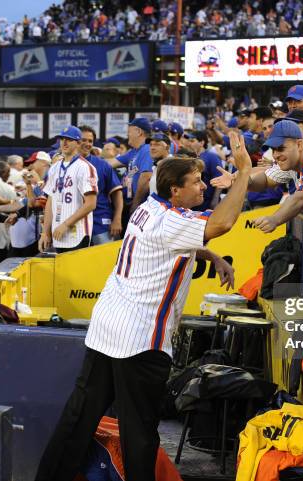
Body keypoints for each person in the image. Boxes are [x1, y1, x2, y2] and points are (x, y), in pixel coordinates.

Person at [34, 132, 253, 481]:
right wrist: (243, 173)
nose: (202, 187)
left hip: (108, 324)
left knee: (80, 415)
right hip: (141, 338)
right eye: (195, 182)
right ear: (175, 190)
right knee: (140, 430)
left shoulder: (150, 209)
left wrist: (209, 253)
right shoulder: (172, 221)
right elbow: (222, 223)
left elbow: (181, 237)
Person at [212, 120, 303, 232]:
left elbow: (301, 199)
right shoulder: (292, 158)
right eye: (273, 149)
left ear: (299, 145)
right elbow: (266, 180)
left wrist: (274, 219)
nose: (276, 155)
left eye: (281, 148)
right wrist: (241, 180)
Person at [39, 126, 98, 254]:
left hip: (78, 234)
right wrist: (45, 232)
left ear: (78, 143)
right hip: (58, 234)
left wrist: (66, 224)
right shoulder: (54, 168)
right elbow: (50, 201)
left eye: (69, 139)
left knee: (77, 273)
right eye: (62, 139)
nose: (64, 143)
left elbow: (91, 203)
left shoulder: (85, 167)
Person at [79, 125, 124, 245]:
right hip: (76, 224)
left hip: (100, 222)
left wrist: (117, 219)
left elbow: (117, 194)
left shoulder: (102, 165)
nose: (87, 144)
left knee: (107, 262)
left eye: (90, 141)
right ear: (76, 140)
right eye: (83, 140)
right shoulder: (67, 165)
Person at [113, 118, 154, 215]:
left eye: (129, 131)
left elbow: (146, 178)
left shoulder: (147, 149)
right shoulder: (134, 151)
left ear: (139, 132)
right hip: (128, 200)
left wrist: (135, 203)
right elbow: (111, 163)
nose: (127, 135)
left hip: (139, 205)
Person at [184, 130, 223, 210]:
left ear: (201, 143)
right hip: (191, 204)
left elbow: (220, 179)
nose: (189, 143)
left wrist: (215, 200)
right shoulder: (187, 156)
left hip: (206, 203)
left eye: (192, 141)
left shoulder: (212, 157)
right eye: (189, 141)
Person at [0, 161, 18, 265]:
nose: (9, 175)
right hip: (2, 226)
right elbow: (15, 207)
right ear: (4, 172)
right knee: (0, 263)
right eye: (8, 172)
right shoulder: (7, 188)